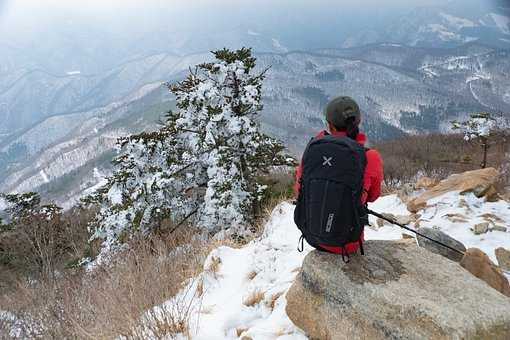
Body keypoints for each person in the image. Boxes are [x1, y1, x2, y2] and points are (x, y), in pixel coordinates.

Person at [294, 96, 383, 256]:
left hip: (313, 236)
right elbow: (373, 196)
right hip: (349, 242)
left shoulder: (313, 149)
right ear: (358, 122)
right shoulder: (370, 157)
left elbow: (300, 189)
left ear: (329, 124)